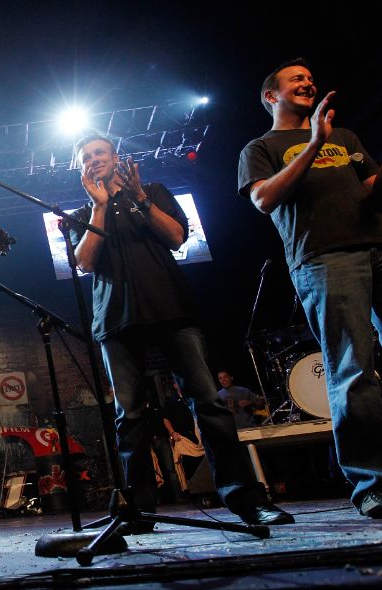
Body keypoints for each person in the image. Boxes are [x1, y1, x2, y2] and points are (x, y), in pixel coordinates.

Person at [68, 133, 292, 533]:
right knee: (131, 415)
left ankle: (246, 500)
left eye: (100, 152)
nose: (93, 160)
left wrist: (139, 197)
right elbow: (84, 263)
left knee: (207, 402)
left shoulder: (151, 191)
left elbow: (175, 237)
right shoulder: (82, 213)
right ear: (79, 168)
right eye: (85, 157)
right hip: (115, 321)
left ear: (116, 158)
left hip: (172, 310)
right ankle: (136, 512)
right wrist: (100, 207)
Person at [238, 58, 382, 518]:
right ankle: (372, 484)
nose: (308, 82)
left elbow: (372, 184)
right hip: (324, 259)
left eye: (309, 77)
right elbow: (262, 199)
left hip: (378, 247)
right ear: (270, 96)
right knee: (353, 369)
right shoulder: (260, 147)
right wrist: (313, 143)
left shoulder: (347, 138)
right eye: (295, 79)